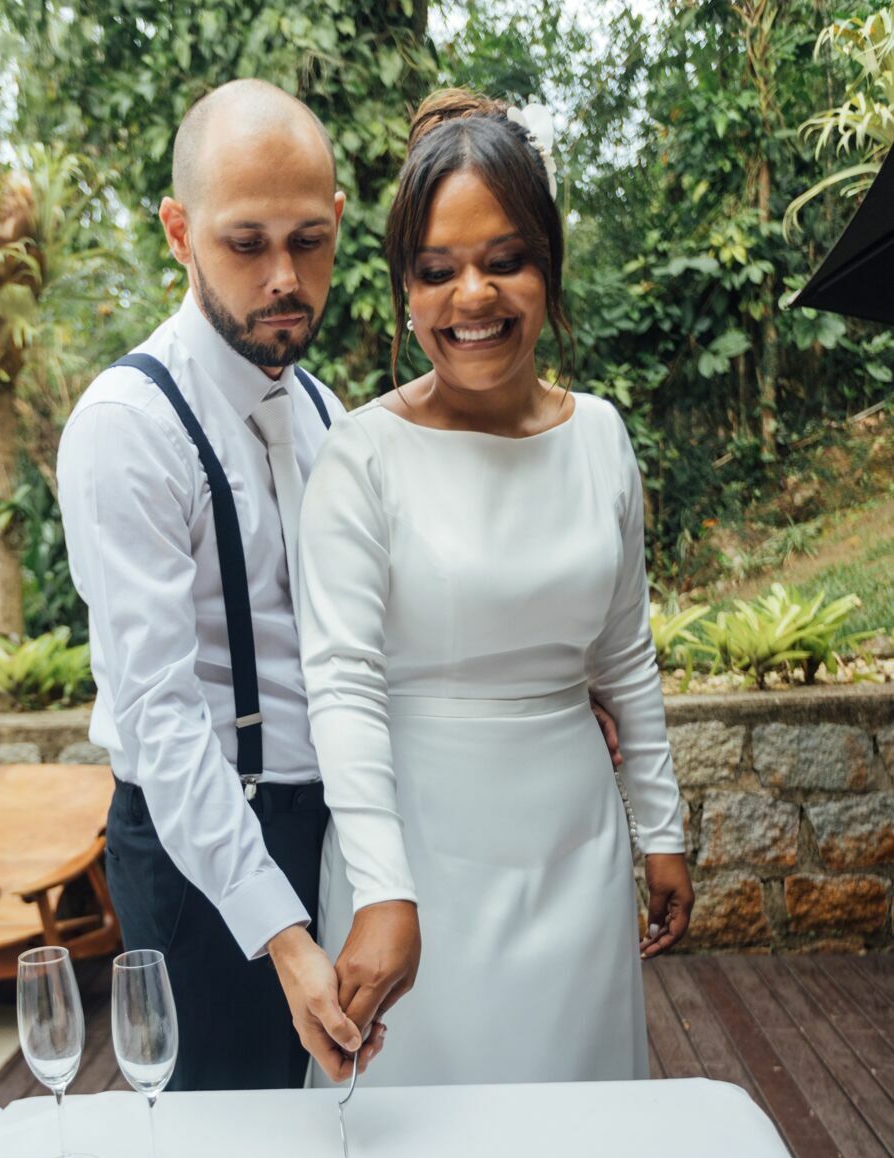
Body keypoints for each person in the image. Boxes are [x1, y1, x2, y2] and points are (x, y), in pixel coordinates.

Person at [59, 78, 622, 1092]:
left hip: (332, 825)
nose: (283, 276)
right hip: (204, 846)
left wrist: (539, 681)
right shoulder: (125, 428)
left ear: (339, 227)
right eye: (244, 243)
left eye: (307, 241)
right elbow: (159, 716)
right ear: (178, 230)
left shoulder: (324, 414)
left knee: (334, 1138)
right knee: (222, 1145)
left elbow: (371, 625)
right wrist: (278, 932)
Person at [298, 89, 694, 1086]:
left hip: (571, 849)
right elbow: (339, 686)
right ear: (404, 291)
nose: (471, 295)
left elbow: (623, 657)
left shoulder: (598, 436)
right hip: (413, 855)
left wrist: (660, 831)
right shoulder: (360, 455)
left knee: (576, 1132)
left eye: (502, 259)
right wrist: (383, 890)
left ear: (546, 264)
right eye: (436, 271)